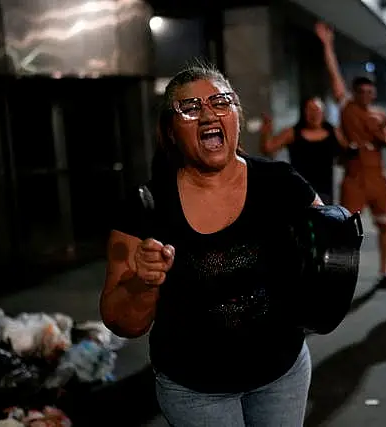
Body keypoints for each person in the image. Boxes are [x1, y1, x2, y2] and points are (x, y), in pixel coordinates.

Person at [99, 64, 322, 426]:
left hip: (282, 374)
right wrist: (143, 282)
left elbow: (328, 255)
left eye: (220, 101)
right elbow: (122, 322)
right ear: (171, 131)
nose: (207, 114)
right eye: (190, 108)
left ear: (235, 115)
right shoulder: (146, 206)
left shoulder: (281, 184)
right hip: (195, 390)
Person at [315, 22, 386, 290]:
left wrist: (383, 138)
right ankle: (342, 279)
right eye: (360, 91)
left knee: (385, 225)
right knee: (347, 231)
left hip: (376, 177)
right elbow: (334, 76)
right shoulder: (348, 108)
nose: (365, 95)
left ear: (374, 93)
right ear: (355, 92)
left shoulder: (380, 116)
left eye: (369, 92)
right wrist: (327, 44)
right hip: (354, 177)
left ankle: (384, 272)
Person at [260, 96, 348, 204]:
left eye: (317, 110)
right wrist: (266, 132)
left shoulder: (333, 132)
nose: (314, 114)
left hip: (325, 194)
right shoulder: (293, 132)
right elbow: (268, 148)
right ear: (304, 112)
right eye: (310, 110)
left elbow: (348, 152)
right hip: (299, 192)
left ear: (323, 112)